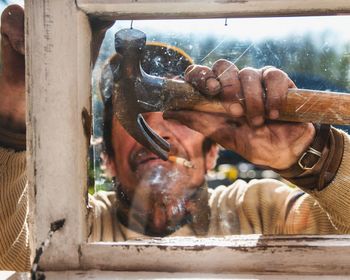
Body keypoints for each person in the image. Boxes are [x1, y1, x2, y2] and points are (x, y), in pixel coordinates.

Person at [1, 4, 349, 272]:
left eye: (176, 116)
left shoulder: (264, 213)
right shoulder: (74, 228)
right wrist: (13, 123)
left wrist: (314, 153)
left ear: (213, 155)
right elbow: (11, 247)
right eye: (138, 118)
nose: (159, 129)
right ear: (105, 157)